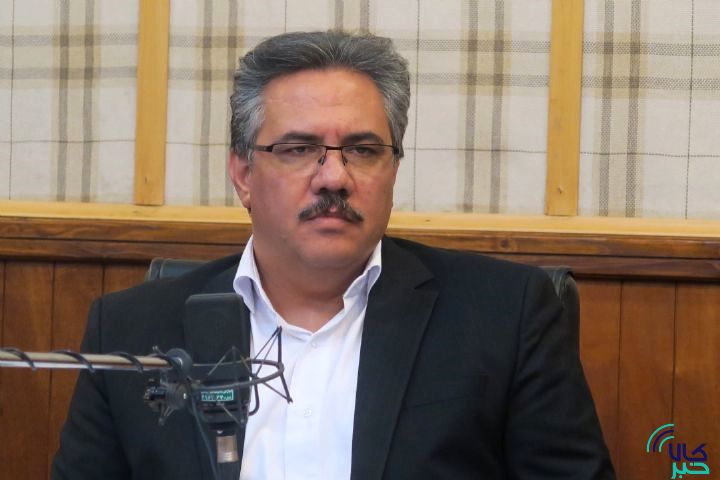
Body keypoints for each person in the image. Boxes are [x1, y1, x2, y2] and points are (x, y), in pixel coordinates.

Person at [52, 30, 615, 479]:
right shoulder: (131, 330)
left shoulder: (505, 315)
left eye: (363, 150)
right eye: (299, 149)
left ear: (393, 170)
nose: (335, 177)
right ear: (243, 174)